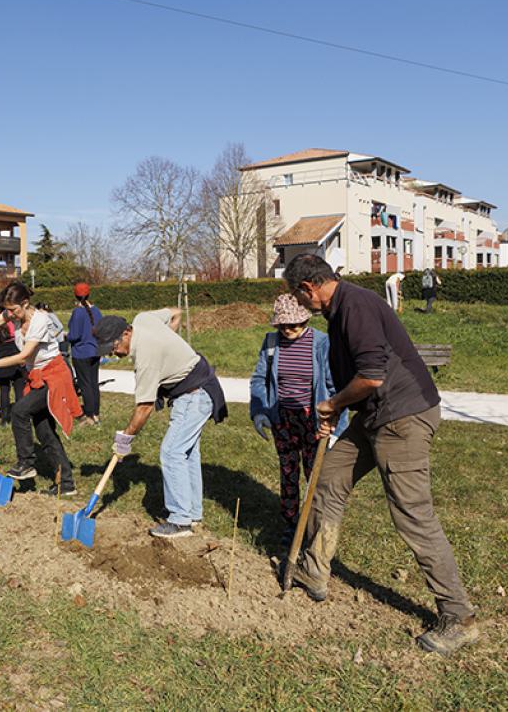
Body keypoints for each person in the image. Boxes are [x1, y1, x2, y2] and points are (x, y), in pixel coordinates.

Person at [282, 253, 477, 655]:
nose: (301, 307)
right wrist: (337, 413)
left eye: (299, 299)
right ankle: (314, 570)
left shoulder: (355, 306)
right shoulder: (340, 311)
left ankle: (458, 616)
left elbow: (372, 376)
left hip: (402, 418)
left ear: (308, 288)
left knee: (412, 514)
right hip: (373, 416)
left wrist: (333, 404)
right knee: (329, 478)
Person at [92, 309, 227, 539]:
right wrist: (169, 342)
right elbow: (176, 313)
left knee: (172, 452)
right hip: (198, 388)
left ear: (126, 333)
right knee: (187, 453)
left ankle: (180, 520)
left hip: (195, 395)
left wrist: (125, 439)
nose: (115, 354)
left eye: (114, 347)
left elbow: (144, 408)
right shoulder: (142, 320)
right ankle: (192, 513)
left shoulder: (147, 358)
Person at [250, 294, 347, 552]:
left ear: (305, 320)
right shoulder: (271, 344)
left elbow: (335, 386)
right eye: (283, 325)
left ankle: (314, 528)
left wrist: (338, 425)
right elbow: (260, 378)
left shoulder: (321, 343)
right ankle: (292, 524)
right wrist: (260, 411)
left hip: (314, 419)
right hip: (284, 419)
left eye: (294, 324)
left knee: (315, 475)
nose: (289, 330)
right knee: (289, 472)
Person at [0, 283, 82, 496]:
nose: (10, 315)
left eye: (13, 310)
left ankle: (26, 462)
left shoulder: (41, 320)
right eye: (8, 310)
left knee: (20, 411)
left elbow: (24, 356)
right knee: (45, 432)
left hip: (54, 376)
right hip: (37, 376)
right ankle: (66, 483)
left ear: (25, 303)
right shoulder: (15, 314)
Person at [68, 282, 103, 425]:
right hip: (95, 350)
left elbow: (74, 335)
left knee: (85, 384)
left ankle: (89, 415)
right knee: (94, 383)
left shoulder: (78, 312)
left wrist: (66, 337)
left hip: (81, 353)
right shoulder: (97, 311)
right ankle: (96, 413)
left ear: (75, 295)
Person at [0, 307, 26, 427]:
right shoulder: (12, 316)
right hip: (14, 348)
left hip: (1, 350)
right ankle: (21, 416)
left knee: (4, 389)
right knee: (19, 386)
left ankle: (5, 418)